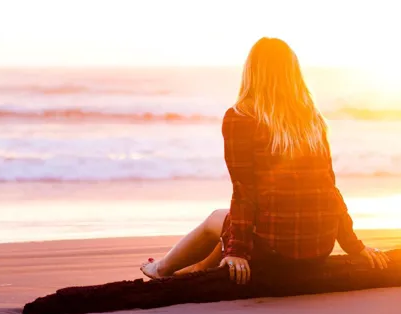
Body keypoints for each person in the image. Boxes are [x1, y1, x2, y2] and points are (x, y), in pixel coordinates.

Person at [141, 37, 388, 284]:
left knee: (215, 219)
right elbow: (329, 187)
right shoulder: (312, 118)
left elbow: (244, 191)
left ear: (251, 72)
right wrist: (354, 246)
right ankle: (199, 271)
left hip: (275, 251)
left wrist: (237, 251)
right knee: (235, 225)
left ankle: (161, 269)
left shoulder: (241, 117)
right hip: (318, 246)